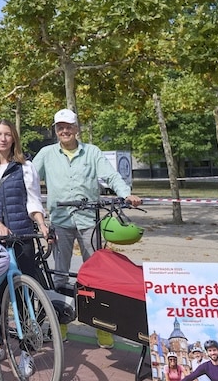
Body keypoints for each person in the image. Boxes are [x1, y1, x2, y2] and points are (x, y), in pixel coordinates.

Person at [32, 108, 142, 347]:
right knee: (59, 274)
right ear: (55, 130)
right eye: (60, 127)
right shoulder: (46, 154)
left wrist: (126, 194)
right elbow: (27, 179)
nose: (64, 130)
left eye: (68, 126)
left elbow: (111, 177)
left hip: (89, 223)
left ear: (76, 129)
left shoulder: (92, 152)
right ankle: (61, 324)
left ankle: (102, 327)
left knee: (97, 276)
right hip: (60, 222)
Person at [0, 119, 50, 370]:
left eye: (7, 134)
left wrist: (42, 223)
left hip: (22, 237)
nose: (3, 138)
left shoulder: (25, 166)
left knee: (24, 294)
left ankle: (26, 351)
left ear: (14, 137)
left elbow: (33, 201)